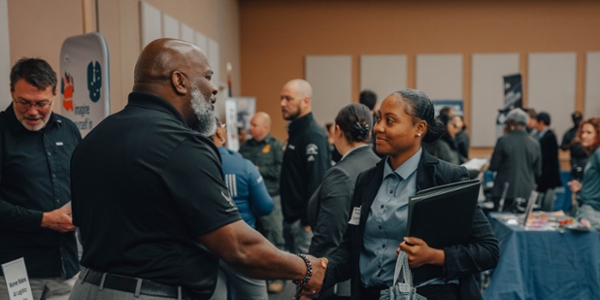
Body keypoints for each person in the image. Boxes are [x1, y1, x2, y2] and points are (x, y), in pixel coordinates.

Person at [69, 39, 327, 300]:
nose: (214, 88)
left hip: (86, 288)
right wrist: (306, 268)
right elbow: (238, 247)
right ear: (179, 81)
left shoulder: (92, 140)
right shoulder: (181, 144)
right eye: (207, 76)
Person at [316, 89, 499, 300]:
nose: (378, 128)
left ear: (419, 128)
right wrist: (321, 270)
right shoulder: (366, 180)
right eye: (378, 119)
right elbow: (351, 248)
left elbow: (488, 251)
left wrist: (435, 256)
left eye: (390, 121)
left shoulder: (447, 178)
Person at [0, 58, 81, 300]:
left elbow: (84, 186)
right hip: (16, 270)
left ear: (55, 93)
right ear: (11, 91)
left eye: (42, 103)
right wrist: (42, 220)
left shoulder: (68, 130)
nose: (33, 111)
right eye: (24, 102)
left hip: (65, 267)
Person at [307, 104, 380, 299]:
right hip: (373, 272)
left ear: (337, 130)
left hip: (341, 281)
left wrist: (310, 283)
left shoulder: (341, 173)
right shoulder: (382, 165)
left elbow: (328, 235)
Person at [209, 118, 273, 300]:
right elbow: (266, 206)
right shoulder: (244, 165)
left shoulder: (190, 165)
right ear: (220, 134)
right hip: (242, 247)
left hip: (206, 248)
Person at [280, 79, 331, 254]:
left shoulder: (312, 134)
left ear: (306, 101)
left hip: (303, 225)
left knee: (305, 279)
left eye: (288, 99)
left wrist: (307, 221)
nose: (283, 103)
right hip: (290, 220)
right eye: (282, 98)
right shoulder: (296, 131)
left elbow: (318, 180)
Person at [238, 111, 286, 293]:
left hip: (271, 198)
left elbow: (280, 172)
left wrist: (258, 169)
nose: (251, 128)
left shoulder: (275, 147)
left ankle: (279, 278)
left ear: (266, 127)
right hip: (249, 200)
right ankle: (259, 278)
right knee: (252, 238)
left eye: (255, 125)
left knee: (275, 238)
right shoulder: (245, 147)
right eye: (251, 124)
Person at [488, 108, 542, 212]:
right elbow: (538, 171)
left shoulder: (503, 141)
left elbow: (494, 166)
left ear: (511, 123)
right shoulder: (535, 143)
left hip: (504, 192)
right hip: (527, 192)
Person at [568, 117, 600, 230]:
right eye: (582, 132)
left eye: (589, 132)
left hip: (592, 212)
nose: (583, 136)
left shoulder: (598, 153)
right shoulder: (593, 154)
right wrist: (582, 187)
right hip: (586, 210)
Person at [535, 112, 562, 194]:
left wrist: (540, 177)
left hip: (547, 176)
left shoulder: (550, 137)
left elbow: (548, 159)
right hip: (545, 176)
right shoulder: (543, 136)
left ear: (541, 122)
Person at [561, 111, 588, 178]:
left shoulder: (586, 132)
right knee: (575, 177)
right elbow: (563, 147)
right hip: (575, 159)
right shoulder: (569, 133)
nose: (577, 122)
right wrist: (571, 144)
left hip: (585, 158)